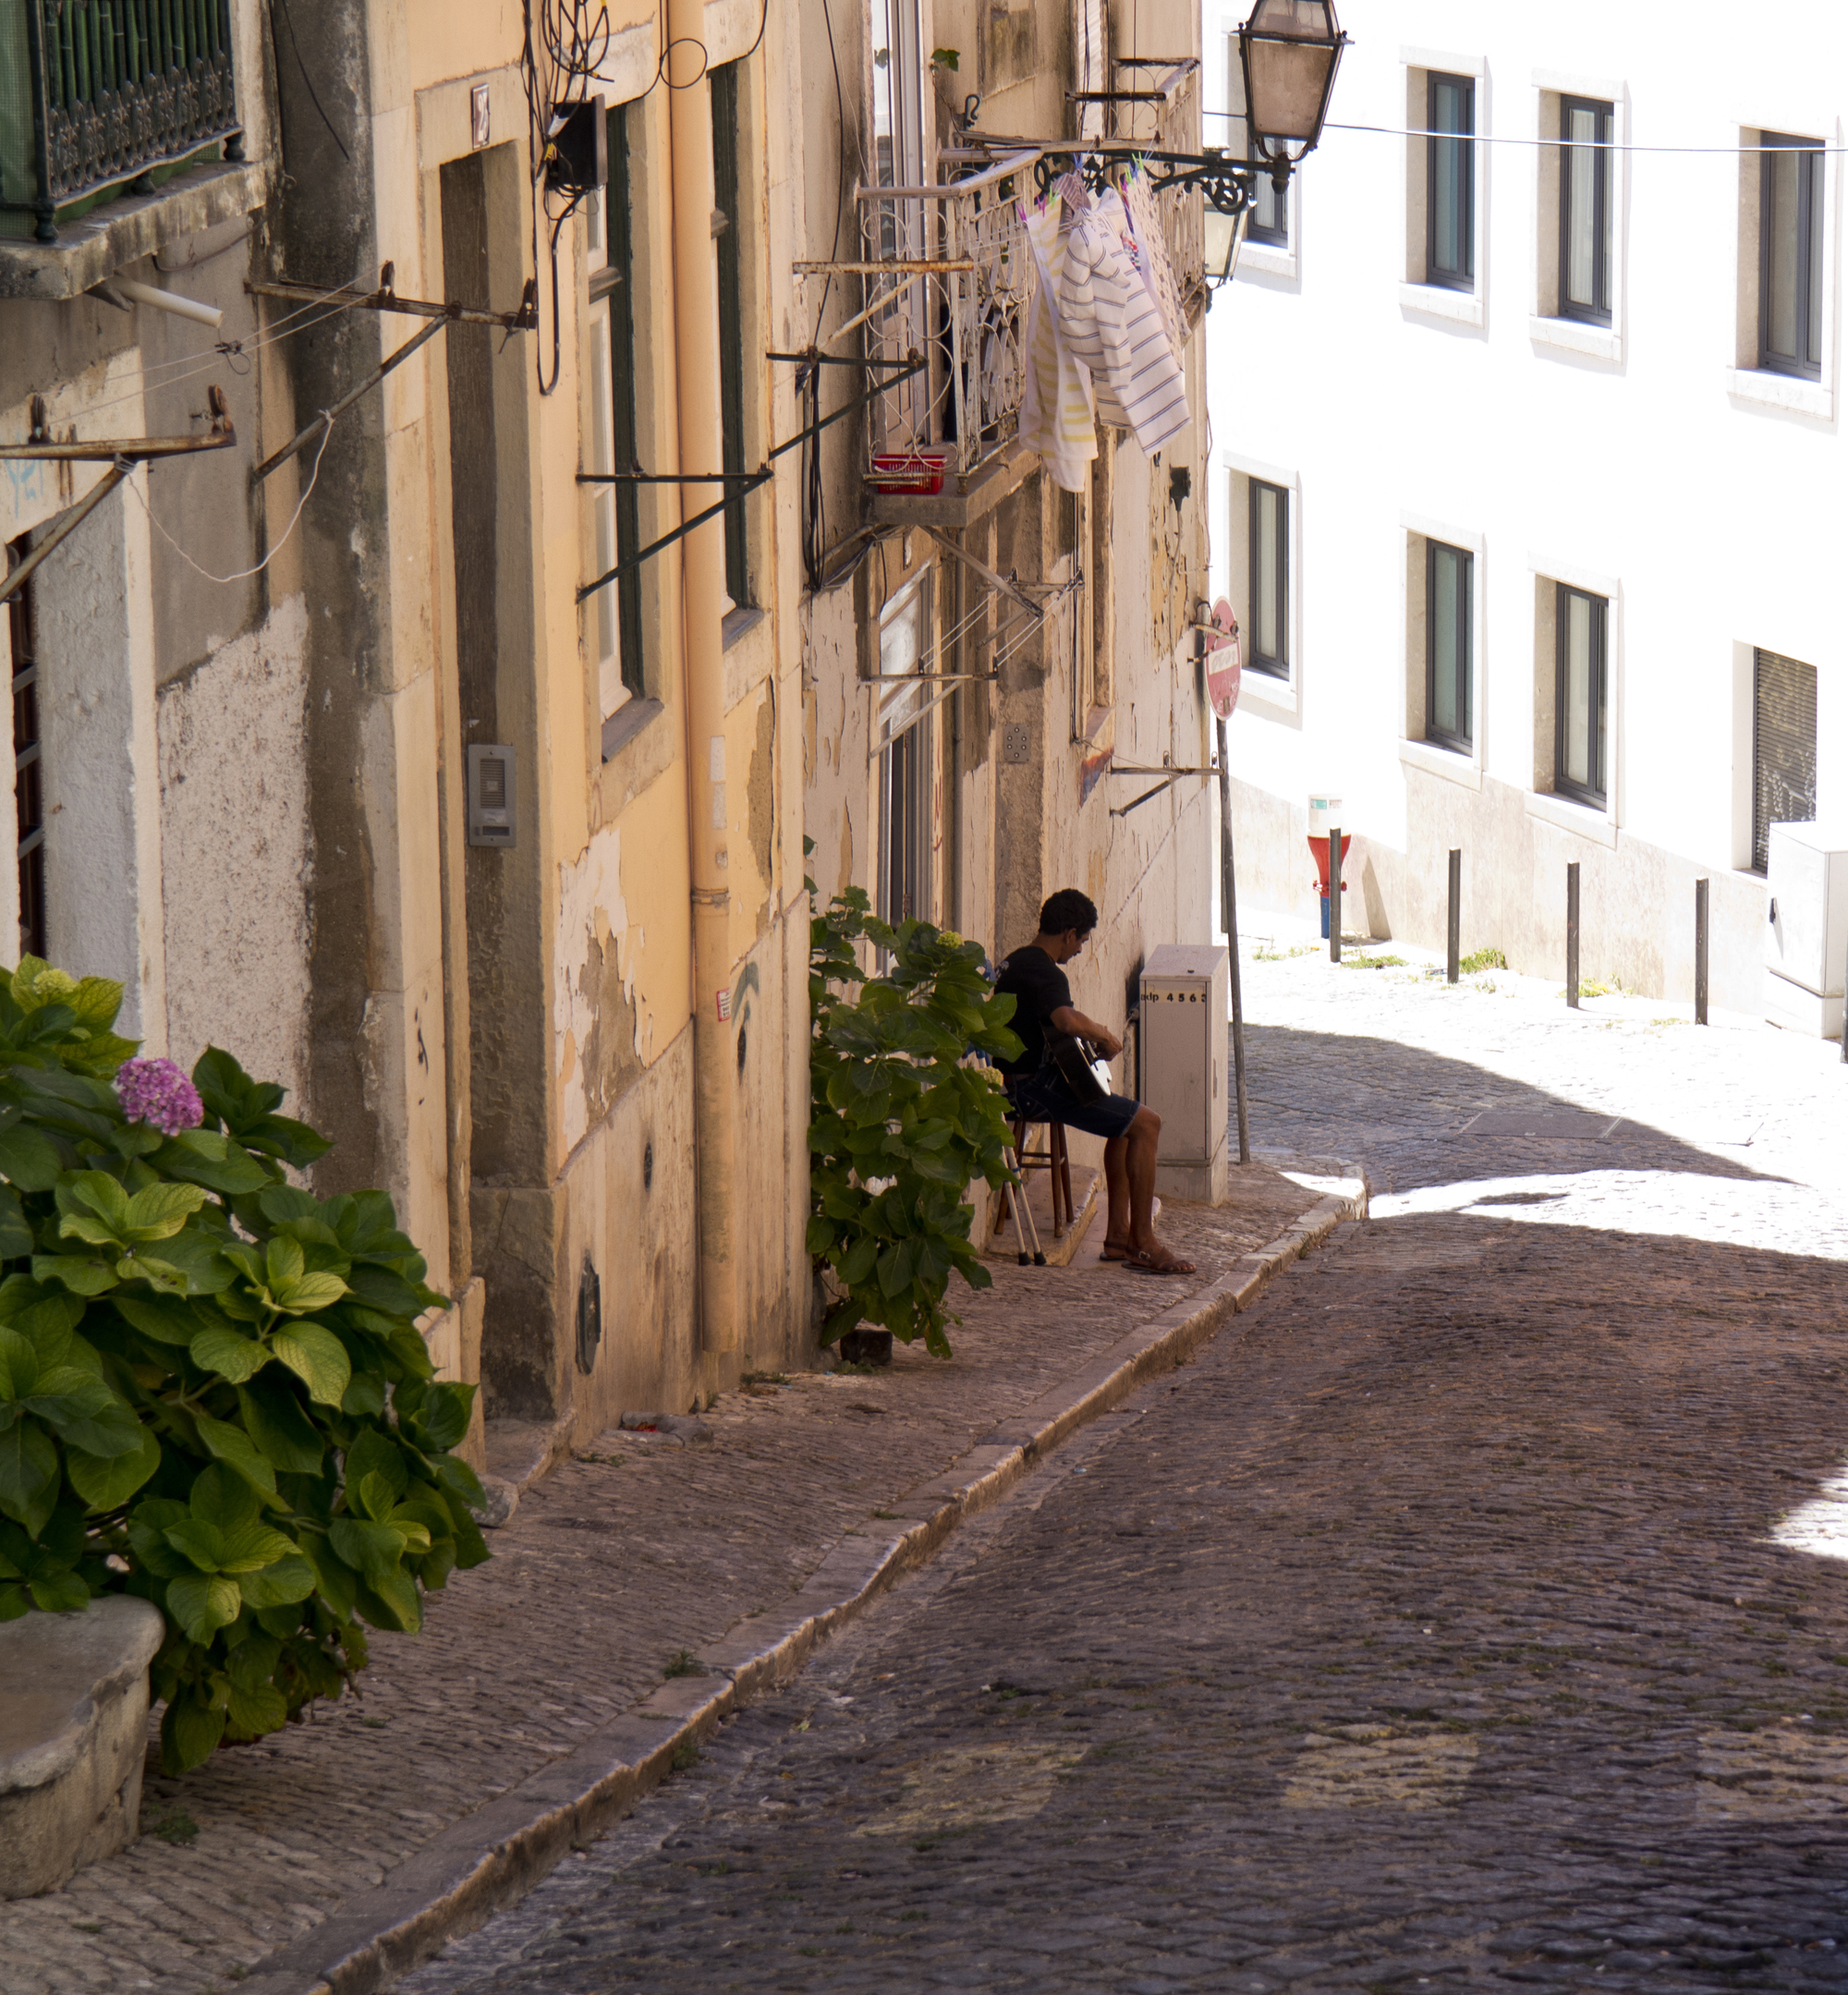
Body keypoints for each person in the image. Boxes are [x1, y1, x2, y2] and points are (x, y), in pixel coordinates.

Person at [992, 889, 1196, 1276]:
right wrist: (1102, 1034)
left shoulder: (1015, 961)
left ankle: (1119, 1236)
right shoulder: (1045, 971)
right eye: (1082, 940)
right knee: (1148, 1123)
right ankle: (1144, 1243)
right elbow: (1066, 1020)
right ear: (1068, 933)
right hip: (1033, 1090)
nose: (1081, 949)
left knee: (1123, 1127)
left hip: (1025, 1082)